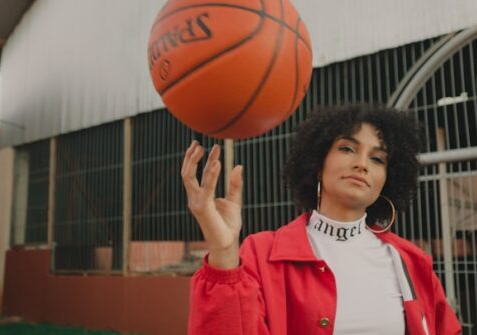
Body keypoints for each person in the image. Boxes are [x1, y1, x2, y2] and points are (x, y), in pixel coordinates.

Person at [182, 104, 461, 335]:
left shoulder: (411, 262)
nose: (362, 163)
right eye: (347, 149)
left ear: (389, 179)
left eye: (377, 159)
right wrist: (223, 254)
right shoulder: (260, 255)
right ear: (317, 163)